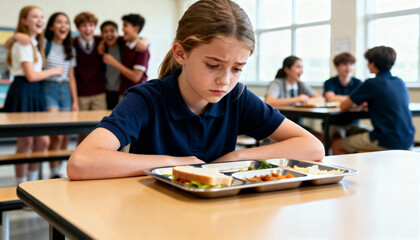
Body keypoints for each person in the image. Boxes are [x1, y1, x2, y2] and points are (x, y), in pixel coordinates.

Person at [67, 0, 324, 180]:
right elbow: (82, 162)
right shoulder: (146, 99)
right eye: (213, 65)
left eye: (237, 69)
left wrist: (235, 157)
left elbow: (313, 148)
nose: (225, 80)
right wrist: (172, 163)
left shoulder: (237, 97)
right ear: (181, 53)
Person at [4, 6, 63, 184]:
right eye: (35, 17)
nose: (40, 20)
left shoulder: (32, 41)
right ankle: (22, 185)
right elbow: (30, 75)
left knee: (43, 141)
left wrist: (14, 36)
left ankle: (30, 184)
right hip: (24, 89)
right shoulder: (23, 43)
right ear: (24, 21)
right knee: (26, 142)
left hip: (34, 91)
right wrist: (55, 71)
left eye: (41, 17)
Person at [332, 46, 415, 154]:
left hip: (386, 141)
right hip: (408, 139)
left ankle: (352, 170)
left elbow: (343, 106)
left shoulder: (371, 83)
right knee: (354, 132)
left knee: (337, 144)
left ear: (373, 64)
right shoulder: (400, 82)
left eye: (368, 62)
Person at [42, 12, 79, 178]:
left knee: (65, 135)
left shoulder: (70, 48)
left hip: (65, 91)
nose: (63, 25)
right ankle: (54, 171)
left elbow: (71, 77)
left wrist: (75, 101)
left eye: (66, 22)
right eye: (59, 22)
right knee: (55, 134)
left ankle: (59, 168)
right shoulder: (44, 43)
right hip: (48, 88)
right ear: (51, 26)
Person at [265, 56, 324, 141]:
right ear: (287, 69)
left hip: (295, 125)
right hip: (278, 126)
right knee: (311, 140)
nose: (301, 70)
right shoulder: (277, 83)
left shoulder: (300, 84)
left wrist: (307, 100)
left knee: (320, 138)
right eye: (298, 67)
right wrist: (297, 99)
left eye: (302, 67)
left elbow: (321, 99)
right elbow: (269, 101)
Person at [102, 14, 150, 99]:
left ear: (136, 28)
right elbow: (108, 36)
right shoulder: (124, 42)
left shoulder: (142, 49)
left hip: (136, 95)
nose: (122, 29)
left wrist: (113, 62)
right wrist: (101, 42)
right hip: (123, 93)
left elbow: (136, 77)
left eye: (125, 26)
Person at [323, 52, 366, 139]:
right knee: (337, 137)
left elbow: (364, 102)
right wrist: (354, 99)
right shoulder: (330, 82)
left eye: (351, 64)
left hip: (353, 123)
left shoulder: (358, 82)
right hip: (334, 122)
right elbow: (330, 98)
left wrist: (338, 98)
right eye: (345, 64)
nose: (348, 68)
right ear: (336, 67)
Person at [100, 20, 122, 109]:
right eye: (105, 32)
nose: (109, 34)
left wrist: (145, 40)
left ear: (117, 33)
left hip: (121, 92)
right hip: (107, 92)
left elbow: (138, 39)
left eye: (112, 31)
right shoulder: (101, 48)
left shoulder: (123, 45)